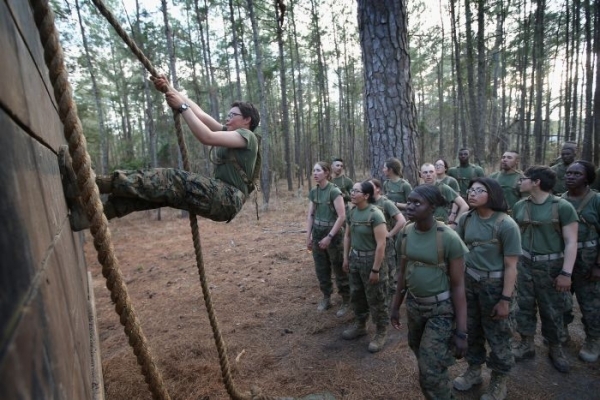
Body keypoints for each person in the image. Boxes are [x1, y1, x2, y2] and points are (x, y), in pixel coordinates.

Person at [60, 75, 261, 231]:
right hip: (222, 199)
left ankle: (83, 185)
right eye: (227, 115)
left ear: (247, 121)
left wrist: (181, 107)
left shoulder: (246, 136)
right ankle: (86, 217)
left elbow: (206, 136)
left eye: (232, 115)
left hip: (226, 197)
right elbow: (199, 113)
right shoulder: (231, 133)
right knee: (155, 194)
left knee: (169, 178)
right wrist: (168, 87)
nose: (227, 119)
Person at [390, 185, 469, 400]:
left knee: (429, 370)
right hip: (415, 306)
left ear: (432, 207)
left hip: (441, 310)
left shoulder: (448, 238)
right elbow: (403, 272)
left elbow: (458, 286)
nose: (411, 207)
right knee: (419, 352)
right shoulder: (405, 232)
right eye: (410, 201)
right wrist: (396, 305)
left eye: (418, 203)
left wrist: (462, 331)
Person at [453, 178, 521, 400]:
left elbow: (512, 266)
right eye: (470, 190)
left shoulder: (506, 224)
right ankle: (474, 371)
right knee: (472, 329)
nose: (471, 194)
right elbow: (460, 254)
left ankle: (499, 381)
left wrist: (505, 299)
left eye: (478, 191)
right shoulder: (466, 219)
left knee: (499, 335)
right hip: (470, 283)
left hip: (495, 286)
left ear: (491, 194)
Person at [511, 166, 578, 373]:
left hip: (551, 267)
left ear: (536, 182)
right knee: (523, 306)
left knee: (552, 309)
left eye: (523, 178)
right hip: (524, 264)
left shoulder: (563, 207)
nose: (519, 182)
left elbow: (571, 242)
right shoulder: (520, 206)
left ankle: (555, 348)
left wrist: (566, 273)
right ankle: (526, 344)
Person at [341, 181, 389, 353]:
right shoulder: (352, 212)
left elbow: (381, 244)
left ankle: (381, 331)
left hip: (371, 261)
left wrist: (375, 269)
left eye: (356, 191)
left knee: (376, 298)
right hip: (355, 259)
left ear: (367, 196)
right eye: (352, 190)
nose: (352, 193)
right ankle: (360, 324)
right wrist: (346, 258)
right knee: (356, 294)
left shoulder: (375, 214)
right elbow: (347, 236)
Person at [562, 160, 600, 362]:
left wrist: (598, 265)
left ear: (587, 178)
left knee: (591, 303)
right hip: (564, 261)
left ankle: (593, 338)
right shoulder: (560, 201)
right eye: (568, 173)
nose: (570, 176)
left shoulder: (596, 200)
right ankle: (561, 333)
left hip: (589, 260)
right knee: (561, 302)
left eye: (576, 174)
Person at [306, 161, 351, 316]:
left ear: (326, 173)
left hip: (334, 234)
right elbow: (311, 215)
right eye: (313, 170)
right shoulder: (314, 192)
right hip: (318, 232)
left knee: (339, 268)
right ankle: (326, 297)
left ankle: (346, 299)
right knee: (321, 267)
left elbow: (342, 216)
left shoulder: (334, 191)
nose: (315, 173)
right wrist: (309, 236)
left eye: (318, 170)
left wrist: (329, 237)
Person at [370, 178, 407, 301]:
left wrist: (390, 234)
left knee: (390, 275)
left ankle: (392, 303)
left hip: (386, 245)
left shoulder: (385, 203)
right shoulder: (367, 203)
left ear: (378, 189)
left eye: (371, 186)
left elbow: (401, 220)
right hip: (371, 244)